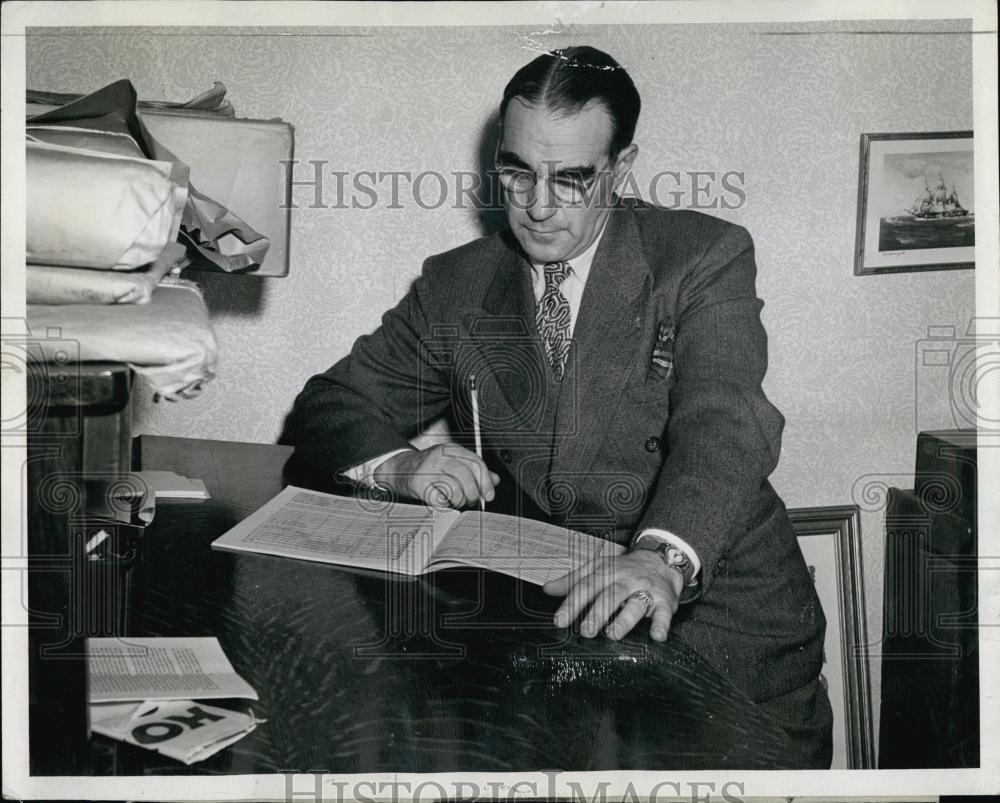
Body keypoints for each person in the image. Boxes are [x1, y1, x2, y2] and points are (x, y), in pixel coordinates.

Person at [289, 45, 833, 767]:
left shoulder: (701, 256)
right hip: (566, 635)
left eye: (572, 178)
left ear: (621, 168)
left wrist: (662, 557)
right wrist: (400, 466)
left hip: (722, 627)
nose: (539, 206)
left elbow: (724, 424)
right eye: (517, 171)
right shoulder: (458, 286)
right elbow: (331, 403)